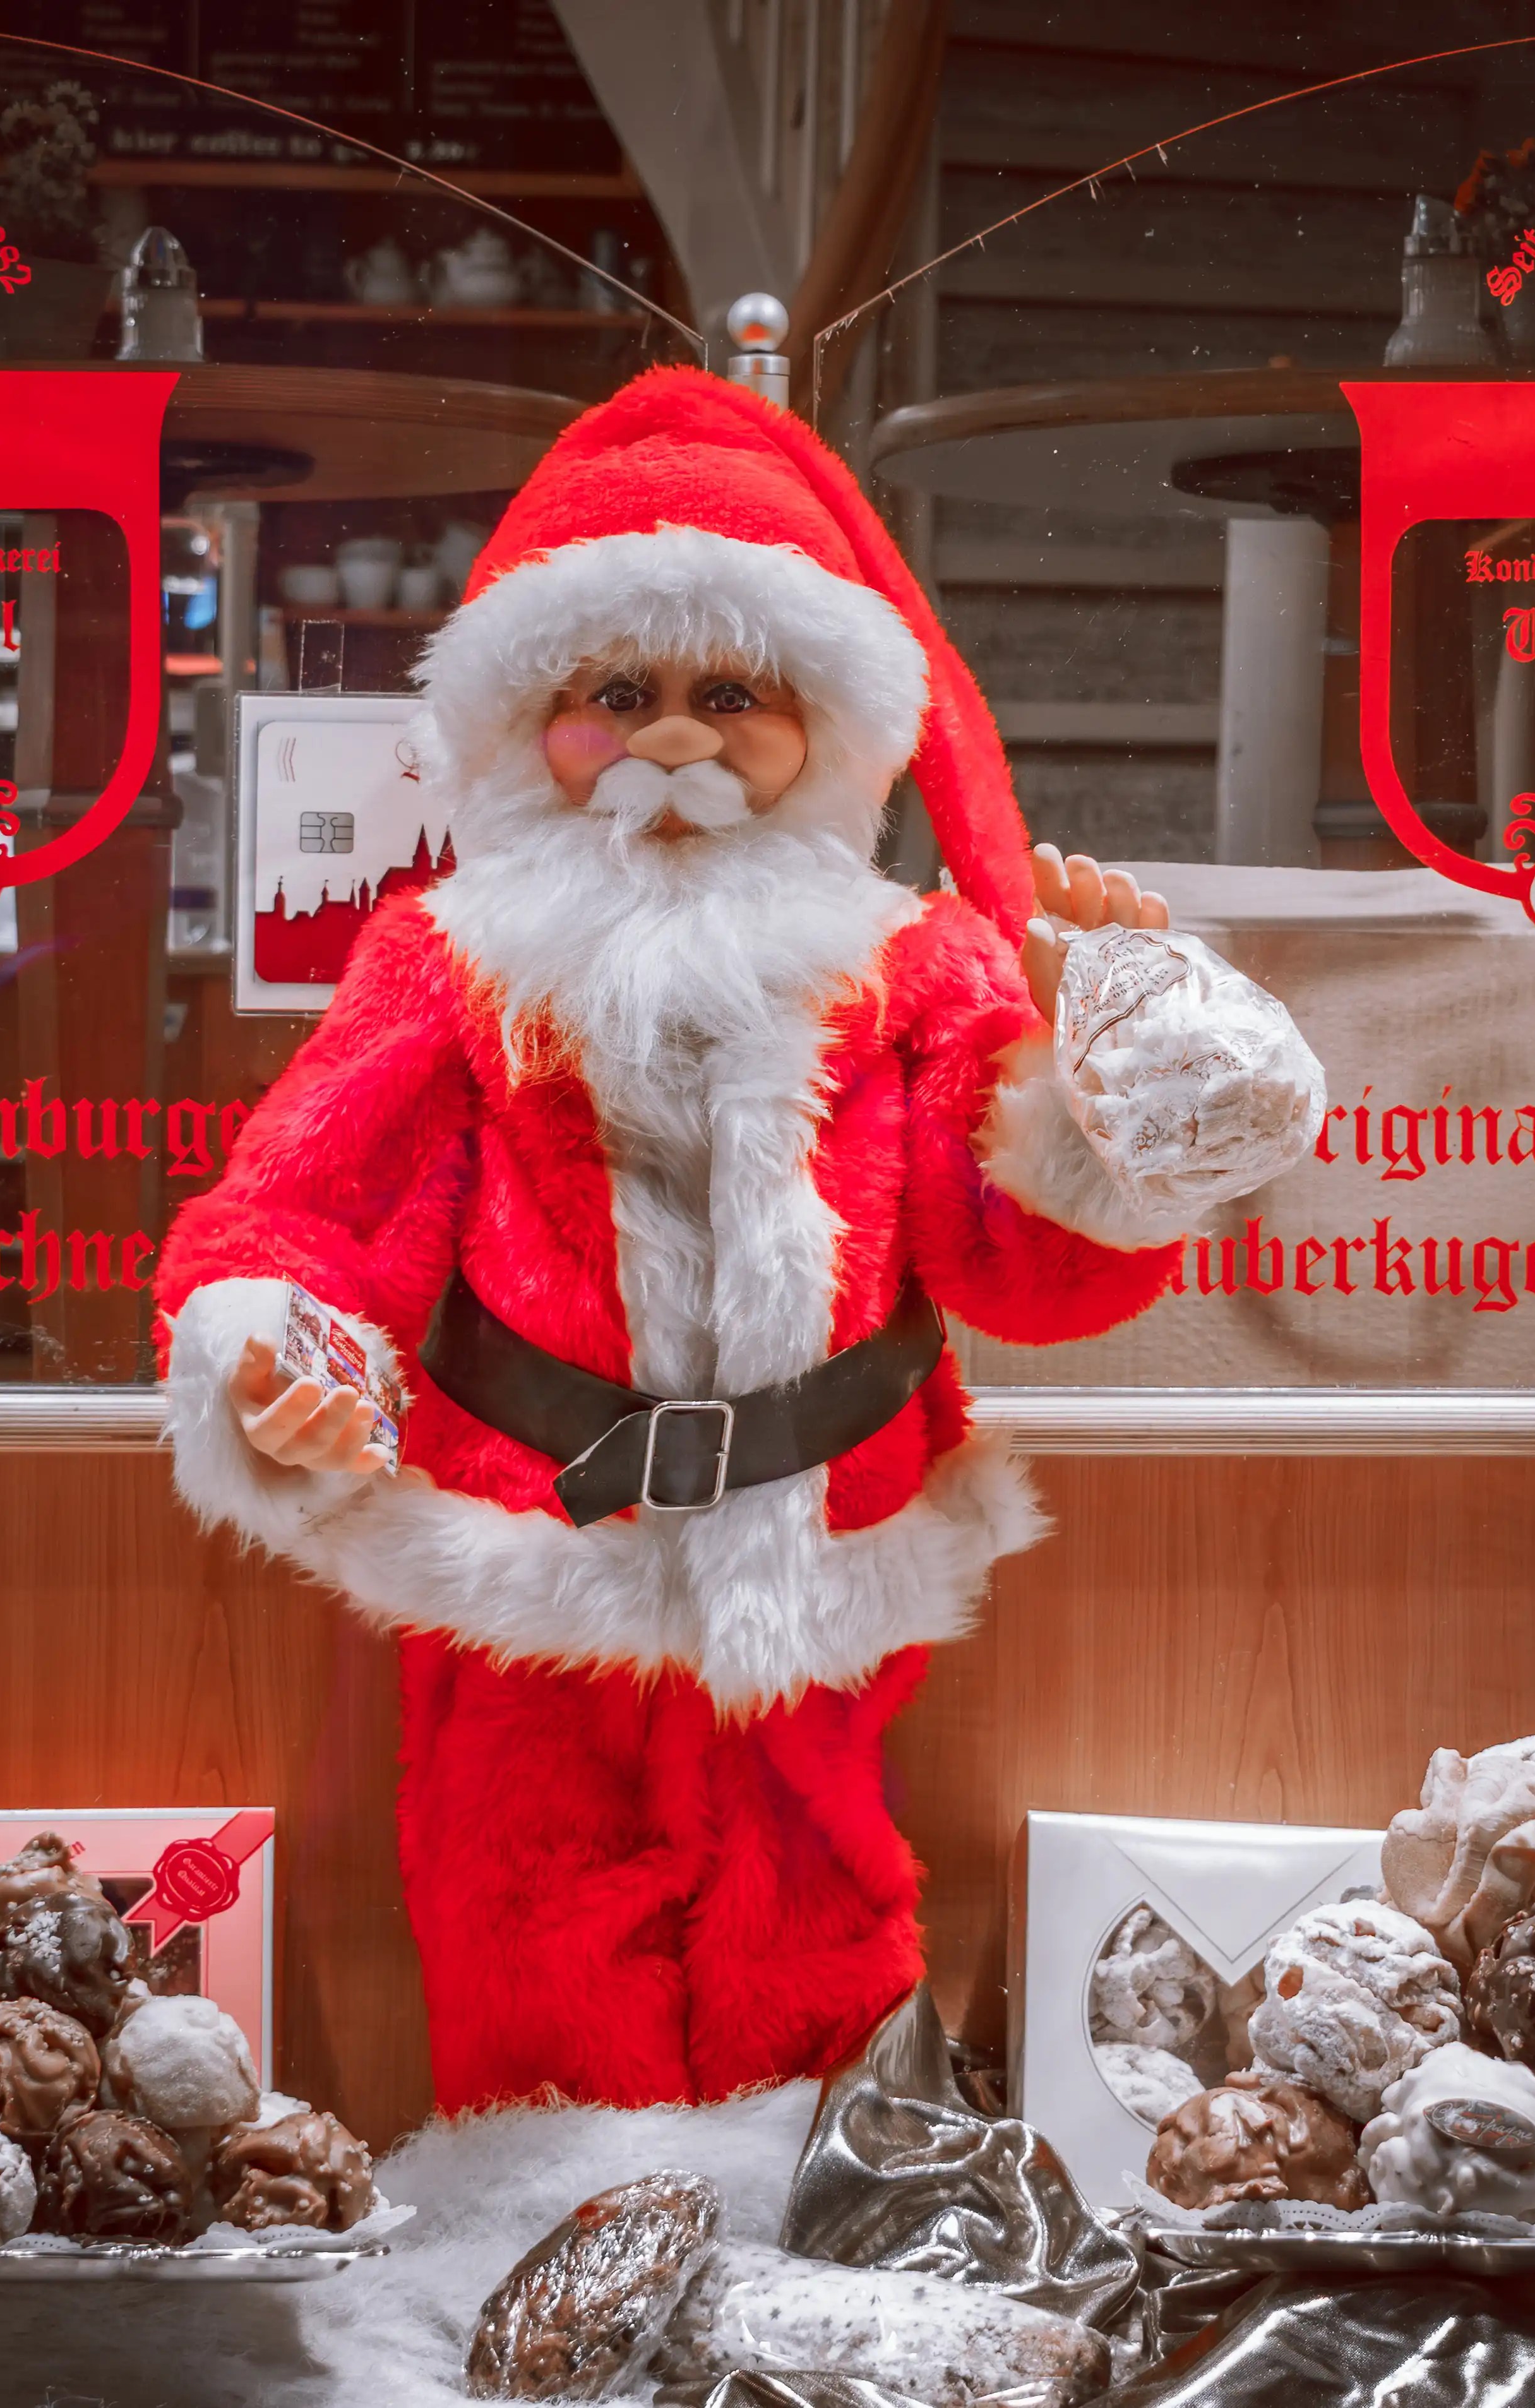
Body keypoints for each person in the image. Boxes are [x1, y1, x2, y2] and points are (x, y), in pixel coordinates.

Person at [157, 366, 1321, 2113]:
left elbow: (1026, 1267)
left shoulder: (924, 967)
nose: (675, 740)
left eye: (734, 696)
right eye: (615, 694)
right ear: (528, 714)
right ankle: (540, 2270)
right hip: (523, 1566)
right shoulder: (445, 958)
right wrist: (273, 1357)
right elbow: (306, 1206)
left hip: (829, 1556)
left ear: (826, 728)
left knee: (826, 1917)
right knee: (526, 1912)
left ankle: (822, 2243)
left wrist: (1109, 1088)